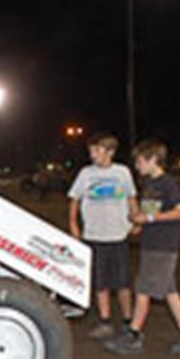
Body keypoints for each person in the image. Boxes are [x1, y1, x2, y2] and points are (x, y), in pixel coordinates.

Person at [105, 139, 180, 355]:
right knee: (169, 291)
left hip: (163, 246)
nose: (137, 166)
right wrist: (137, 223)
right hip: (151, 244)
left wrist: (149, 217)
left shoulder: (167, 183)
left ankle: (134, 334)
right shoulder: (150, 185)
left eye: (139, 161)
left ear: (152, 160)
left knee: (143, 289)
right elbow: (148, 215)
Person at [68, 132, 138, 339]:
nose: (93, 155)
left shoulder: (122, 172)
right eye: (91, 151)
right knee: (100, 282)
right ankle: (105, 320)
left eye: (97, 150)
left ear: (110, 152)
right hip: (95, 235)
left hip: (118, 235)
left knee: (123, 282)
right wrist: (74, 224)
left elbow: (131, 197)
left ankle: (128, 319)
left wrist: (135, 220)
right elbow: (74, 199)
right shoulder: (86, 174)